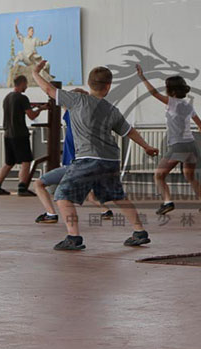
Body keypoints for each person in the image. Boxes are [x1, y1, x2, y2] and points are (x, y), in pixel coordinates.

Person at [31, 61, 160, 250]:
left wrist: (35, 73)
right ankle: (139, 231)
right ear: (108, 87)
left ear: (89, 84)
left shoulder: (77, 100)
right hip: (110, 160)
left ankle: (73, 237)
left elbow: (49, 90)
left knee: (62, 195)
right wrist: (147, 146)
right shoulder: (111, 109)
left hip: (87, 159)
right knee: (118, 197)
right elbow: (129, 131)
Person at [135, 64, 201, 216]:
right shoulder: (187, 105)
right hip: (191, 146)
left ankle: (167, 202)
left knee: (158, 175)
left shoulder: (172, 102)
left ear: (171, 91)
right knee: (190, 177)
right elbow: (200, 124)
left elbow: (153, 93)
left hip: (178, 146)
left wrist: (142, 77)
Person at [32, 110, 114, 223]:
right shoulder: (92, 127)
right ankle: (106, 211)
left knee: (38, 184)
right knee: (88, 193)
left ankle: (51, 214)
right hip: (88, 165)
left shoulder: (74, 121)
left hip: (73, 166)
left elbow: (65, 104)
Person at [0, 75, 44, 196]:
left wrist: (33, 106)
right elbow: (32, 116)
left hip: (8, 134)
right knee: (26, 161)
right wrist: (41, 109)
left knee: (9, 162)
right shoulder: (22, 98)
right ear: (22, 83)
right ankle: (22, 187)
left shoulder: (7, 97)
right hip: (20, 134)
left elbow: (18, 109)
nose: (27, 87)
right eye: (26, 84)